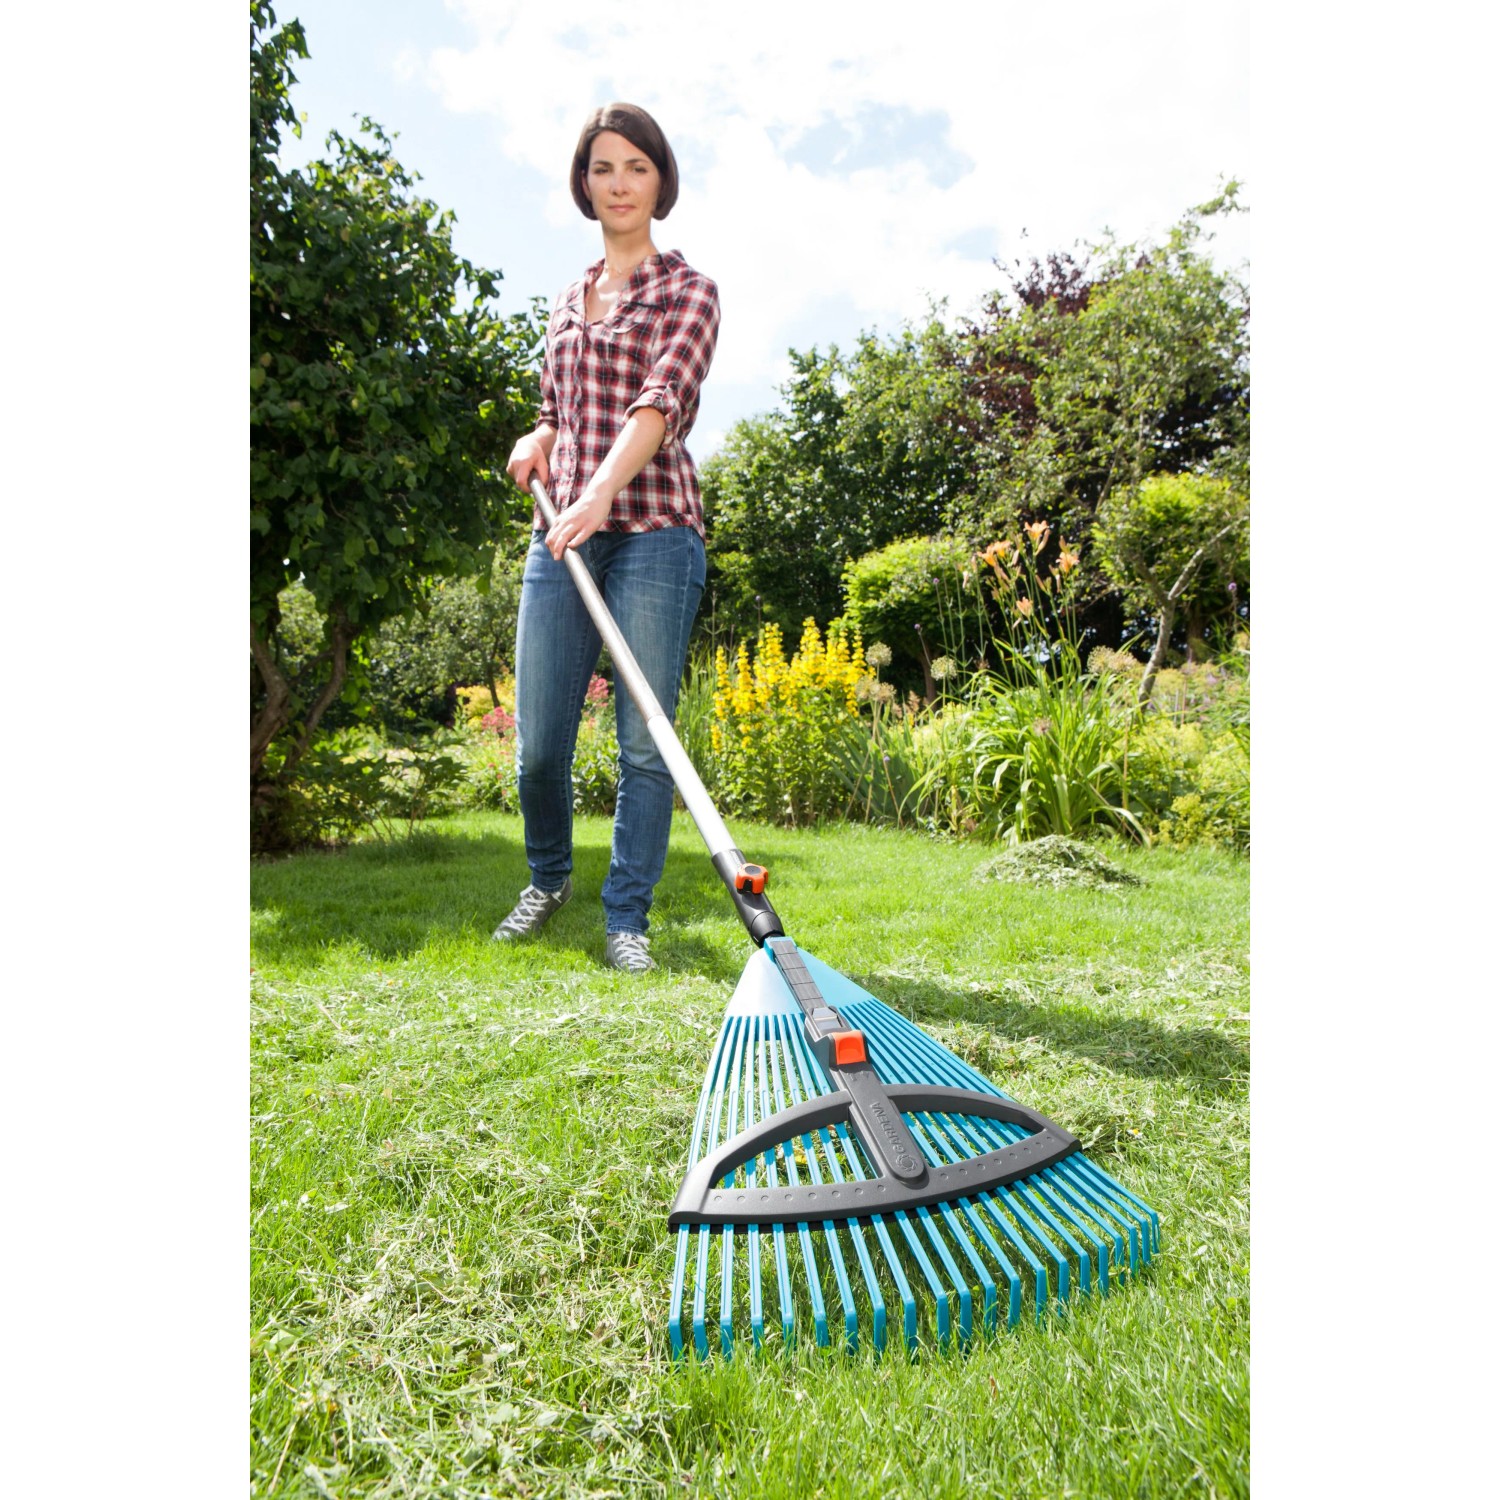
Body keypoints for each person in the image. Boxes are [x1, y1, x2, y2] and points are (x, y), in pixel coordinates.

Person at [493, 103, 720, 974]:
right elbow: (559, 410)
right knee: (539, 745)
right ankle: (549, 879)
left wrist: (596, 492)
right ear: (583, 185)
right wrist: (538, 437)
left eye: (636, 167)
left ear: (660, 181)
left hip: (654, 531)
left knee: (644, 743)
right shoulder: (565, 300)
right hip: (564, 538)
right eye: (602, 168)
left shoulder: (689, 291)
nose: (619, 184)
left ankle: (627, 917)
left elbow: (660, 404)